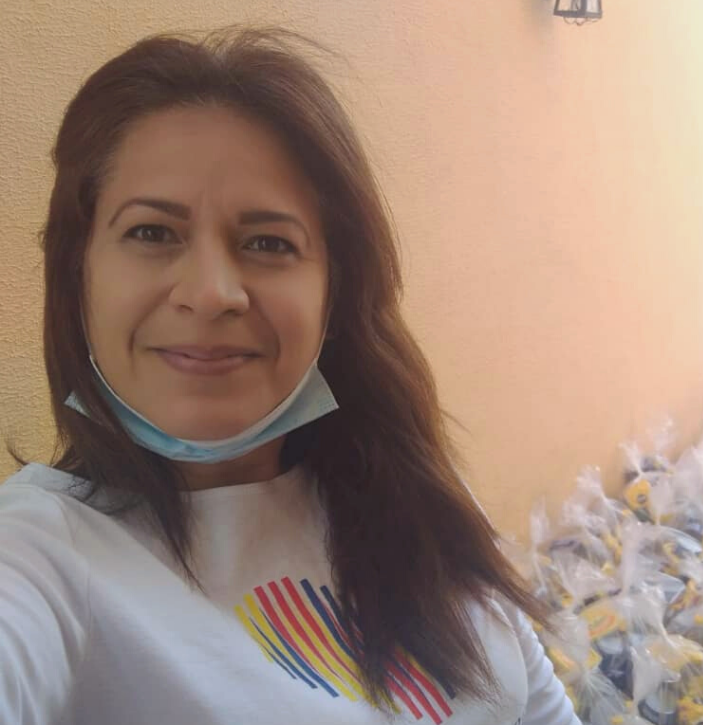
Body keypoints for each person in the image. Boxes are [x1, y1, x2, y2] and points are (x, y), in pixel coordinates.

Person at [0, 26, 579, 725]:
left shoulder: (415, 493)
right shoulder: (44, 557)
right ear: (79, 276)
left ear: (334, 296)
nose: (212, 291)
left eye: (268, 242)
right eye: (152, 232)